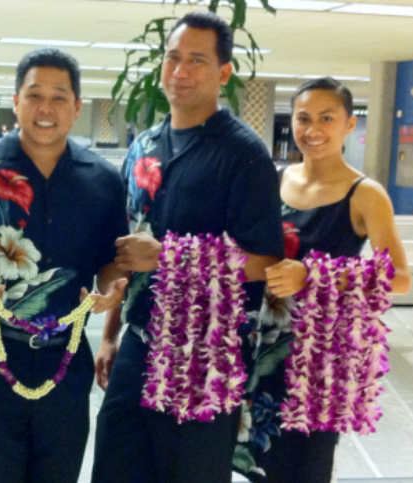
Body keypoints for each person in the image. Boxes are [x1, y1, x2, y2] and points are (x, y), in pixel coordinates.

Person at [91, 11, 284, 482]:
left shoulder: (244, 155)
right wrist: (112, 333)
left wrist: (169, 258)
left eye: (196, 60)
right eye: (172, 57)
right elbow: (128, 253)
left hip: (203, 356)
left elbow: (264, 262)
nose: (179, 71)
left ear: (223, 72)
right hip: (137, 345)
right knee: (116, 467)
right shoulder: (145, 147)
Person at [0, 47, 129, 483]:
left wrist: (112, 288)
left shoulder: (103, 179)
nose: (46, 107)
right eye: (34, 94)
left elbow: (111, 262)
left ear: (77, 106)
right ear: (15, 100)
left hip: (67, 357)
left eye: (60, 96)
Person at [237, 77, 411, 483]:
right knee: (258, 463)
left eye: (327, 118)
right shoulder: (276, 180)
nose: (313, 130)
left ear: (349, 125)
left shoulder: (364, 194)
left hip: (318, 360)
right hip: (261, 344)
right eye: (303, 118)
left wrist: (314, 276)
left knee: (304, 465)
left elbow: (398, 278)